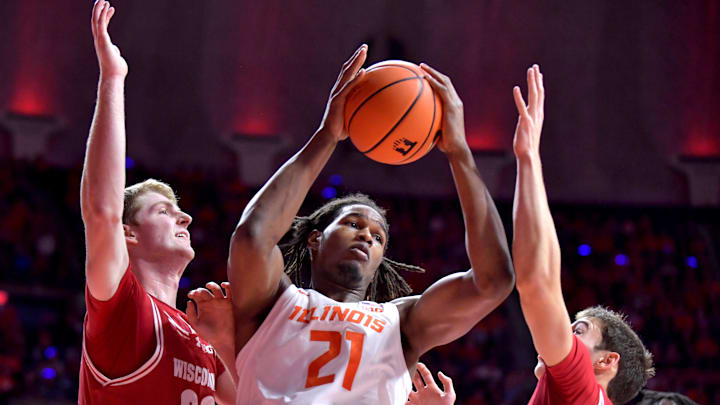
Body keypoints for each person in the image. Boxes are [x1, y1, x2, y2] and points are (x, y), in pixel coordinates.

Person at [224, 44, 515, 404]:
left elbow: (493, 282)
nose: (366, 235)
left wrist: (459, 153)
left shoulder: (402, 323)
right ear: (315, 239)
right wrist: (326, 136)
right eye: (353, 224)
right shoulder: (272, 301)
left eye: (378, 237)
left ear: (380, 261)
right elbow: (252, 237)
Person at [78, 2, 235, 403]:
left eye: (177, 209)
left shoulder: (204, 339)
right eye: (163, 210)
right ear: (127, 233)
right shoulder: (123, 309)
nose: (184, 215)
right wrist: (113, 78)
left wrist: (229, 348)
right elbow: (102, 213)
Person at [510, 64, 655, 405]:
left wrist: (528, 157)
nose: (564, 335)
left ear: (605, 361)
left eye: (578, 332)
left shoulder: (583, 391)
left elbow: (536, 283)